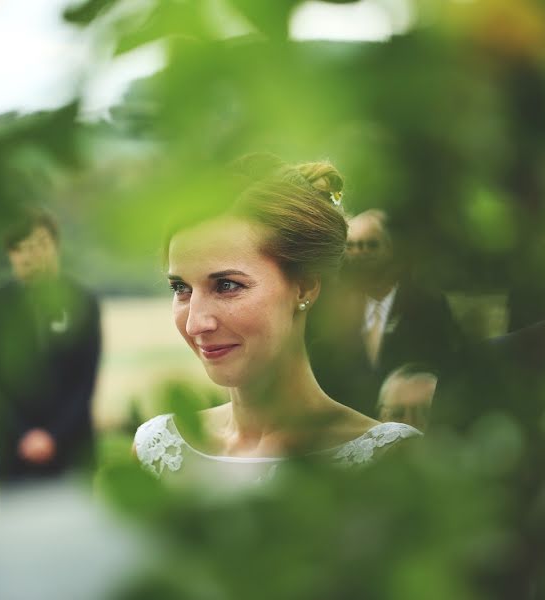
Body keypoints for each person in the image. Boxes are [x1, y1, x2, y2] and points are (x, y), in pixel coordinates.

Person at [133, 157, 421, 486]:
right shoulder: (155, 450)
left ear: (305, 285)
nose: (196, 324)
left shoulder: (390, 458)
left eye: (227, 286)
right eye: (181, 288)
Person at [0, 209, 101, 485]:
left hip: (72, 449)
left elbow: (85, 379)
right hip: (13, 452)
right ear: (10, 254)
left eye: (40, 244)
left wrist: (52, 435)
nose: (31, 255)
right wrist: (24, 435)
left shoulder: (83, 303)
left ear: (56, 245)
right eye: (21, 248)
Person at [307, 208, 462, 417]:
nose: (360, 254)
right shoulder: (330, 309)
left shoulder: (426, 304)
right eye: (352, 246)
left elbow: (446, 368)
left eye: (370, 245)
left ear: (392, 250)